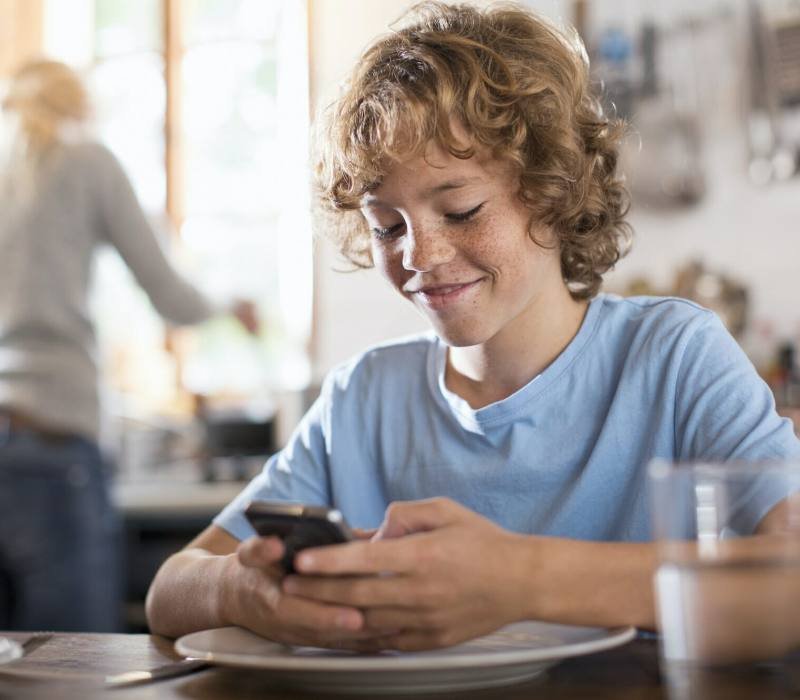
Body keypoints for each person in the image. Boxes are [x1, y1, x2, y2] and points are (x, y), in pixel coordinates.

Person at [146, 1, 800, 650]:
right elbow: (171, 591)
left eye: (460, 210)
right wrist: (243, 592)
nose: (419, 256)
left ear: (553, 190)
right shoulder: (364, 399)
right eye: (387, 226)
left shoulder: (674, 357)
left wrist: (522, 579)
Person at [0, 59, 258, 631]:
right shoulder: (84, 158)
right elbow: (169, 295)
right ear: (76, 105)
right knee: (76, 656)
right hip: (51, 434)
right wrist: (230, 306)